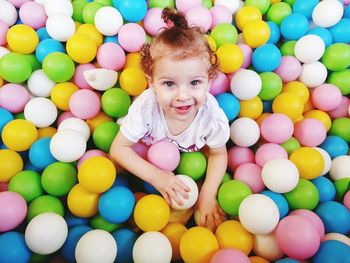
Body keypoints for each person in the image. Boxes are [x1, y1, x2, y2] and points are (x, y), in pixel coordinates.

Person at [110, 8, 230, 231]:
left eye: (195, 83)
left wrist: (207, 195)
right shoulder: (146, 108)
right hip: (148, 152)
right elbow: (118, 149)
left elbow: (218, 153)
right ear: (151, 82)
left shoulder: (211, 117)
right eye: (169, 84)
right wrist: (157, 177)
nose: (183, 96)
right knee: (114, 167)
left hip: (187, 163)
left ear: (210, 80)